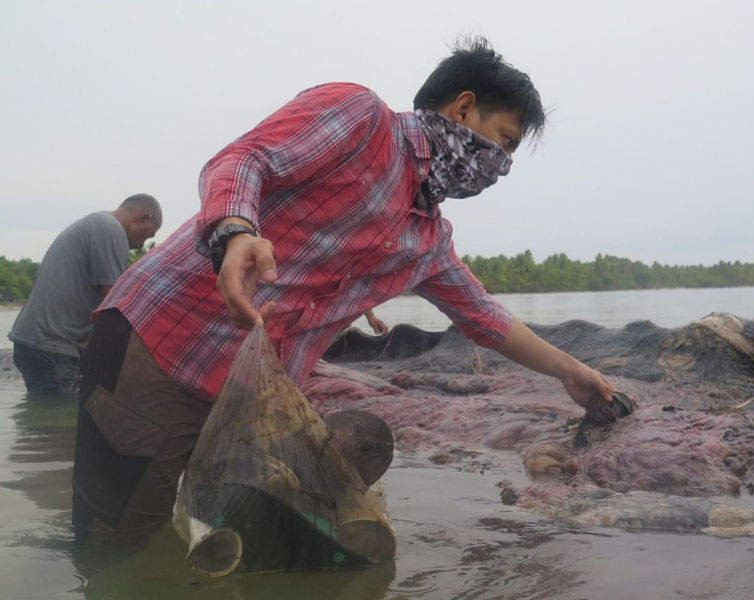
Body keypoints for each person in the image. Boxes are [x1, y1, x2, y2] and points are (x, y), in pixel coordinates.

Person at [72, 38, 616, 540]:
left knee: (220, 536)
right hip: (160, 345)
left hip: (242, 393)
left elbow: (487, 319)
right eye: (506, 142)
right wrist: (235, 231)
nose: (502, 166)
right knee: (117, 542)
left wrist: (573, 372)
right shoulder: (361, 119)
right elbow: (245, 159)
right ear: (465, 108)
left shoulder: (426, 237)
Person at [9, 194, 162, 396]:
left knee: (47, 416)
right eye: (148, 235)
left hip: (35, 342)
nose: (142, 244)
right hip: (53, 346)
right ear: (142, 218)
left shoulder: (96, 224)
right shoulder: (110, 229)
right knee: (63, 423)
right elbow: (113, 300)